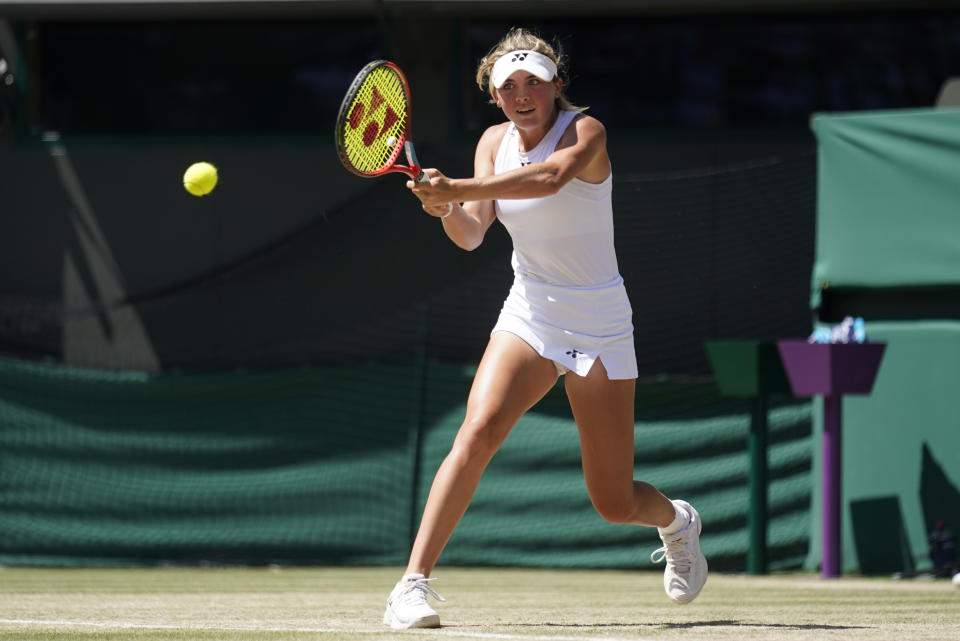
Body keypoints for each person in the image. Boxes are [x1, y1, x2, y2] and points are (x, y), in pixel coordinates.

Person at [383, 27, 708, 630]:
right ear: (495, 97)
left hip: (602, 319)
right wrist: (445, 208)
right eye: (509, 86)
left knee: (613, 503)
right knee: (477, 431)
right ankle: (412, 584)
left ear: (558, 85)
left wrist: (458, 188)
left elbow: (551, 179)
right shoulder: (490, 143)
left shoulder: (587, 132)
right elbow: (472, 233)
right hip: (531, 310)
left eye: (535, 80)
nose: (523, 93)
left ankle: (676, 522)